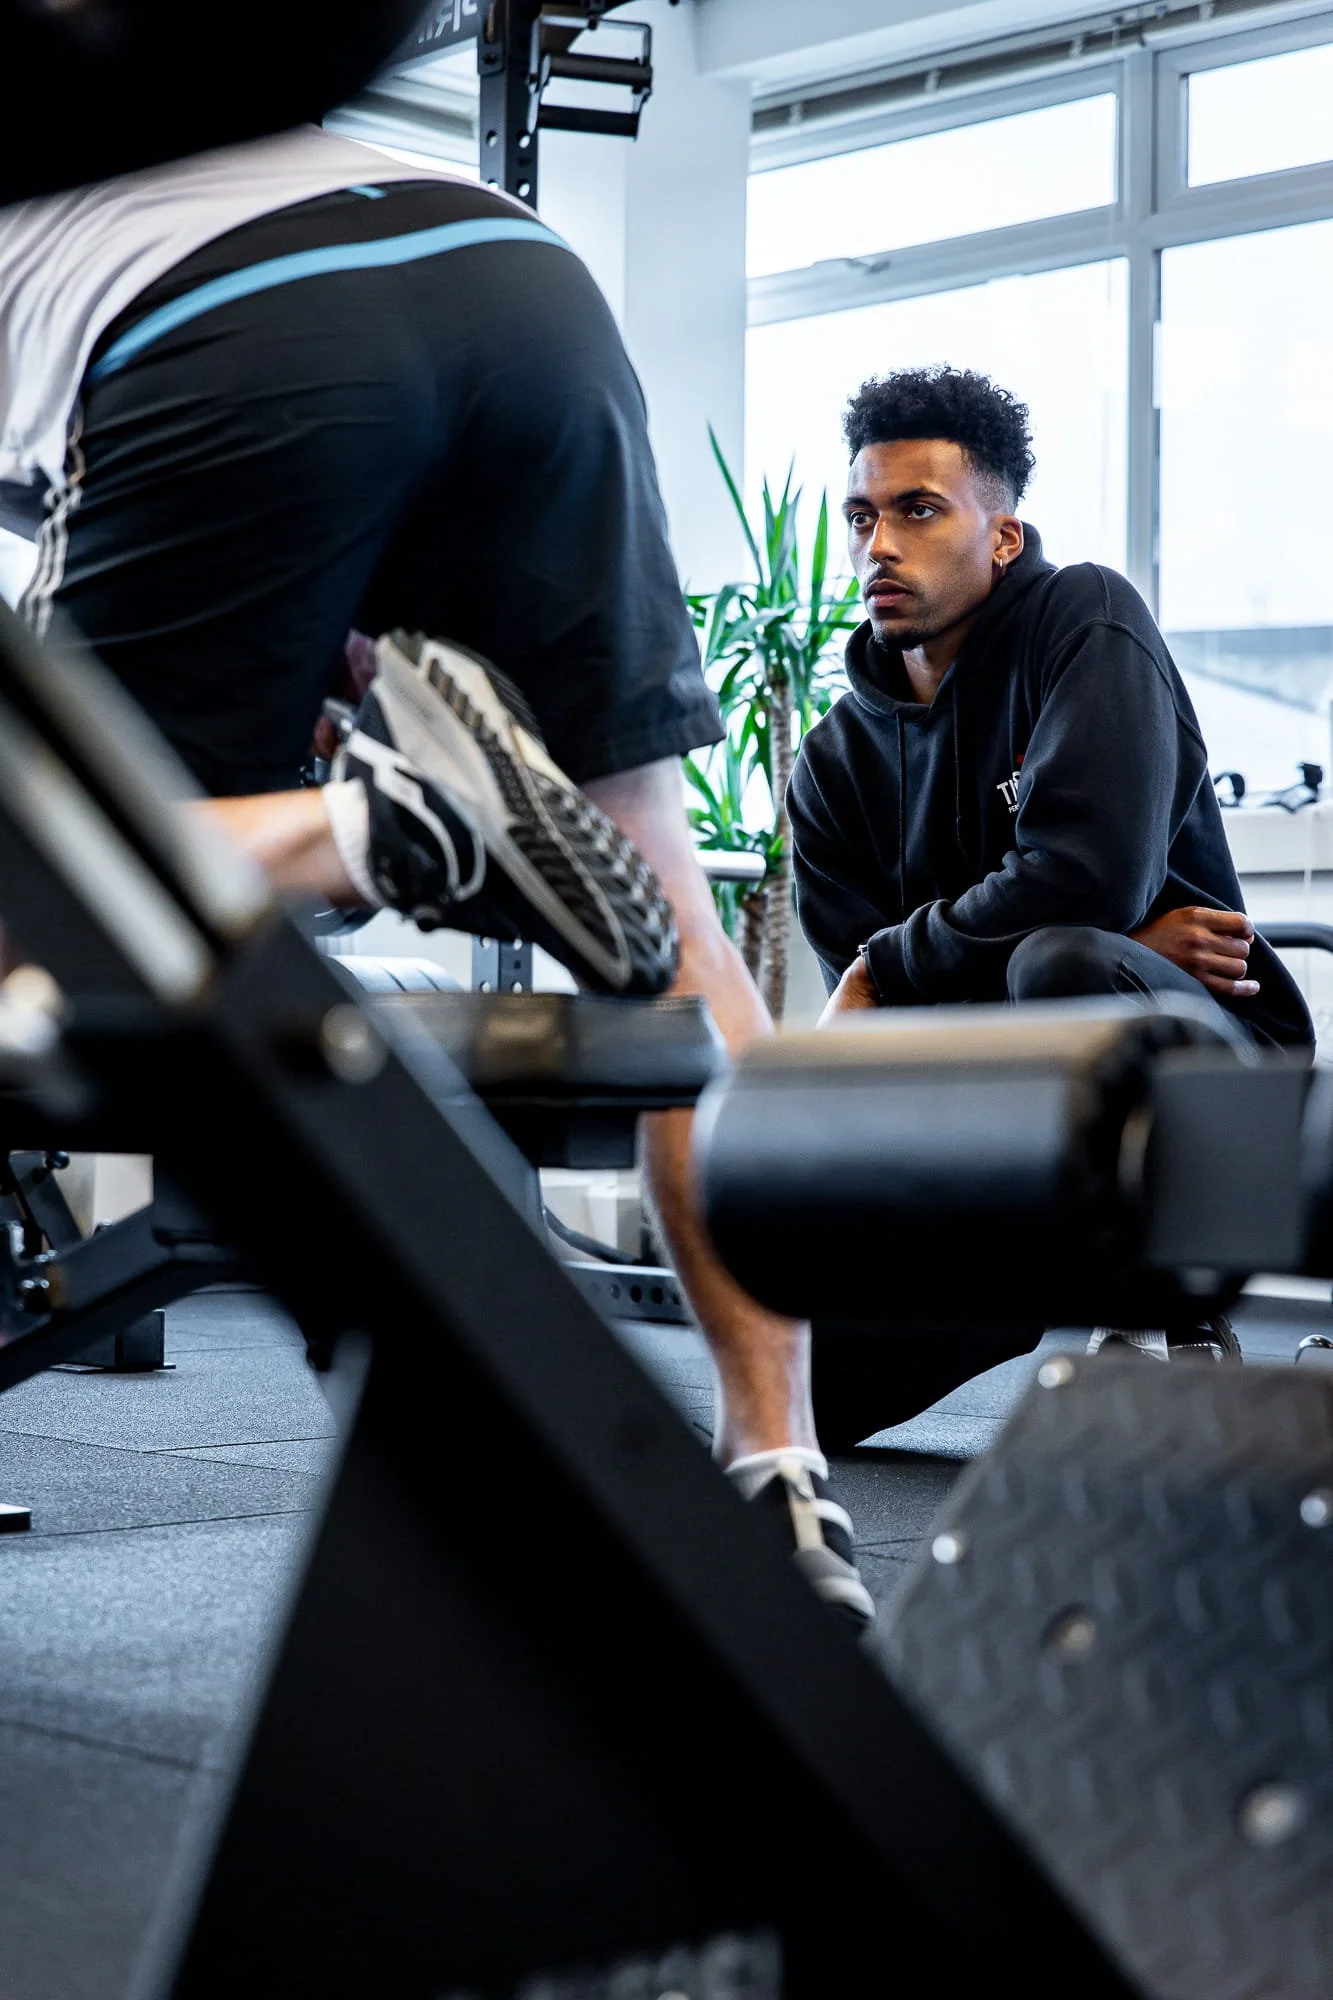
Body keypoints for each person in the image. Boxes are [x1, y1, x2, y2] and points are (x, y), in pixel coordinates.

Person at [0, 125, 874, 1628]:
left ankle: (373, 823)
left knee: (45, 886)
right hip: (520, 282)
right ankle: (775, 1466)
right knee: (658, 889)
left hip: (224, 310)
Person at [789, 365, 1312, 1394]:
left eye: (918, 511)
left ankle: (1163, 1304)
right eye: (861, 515)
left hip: (1213, 1059)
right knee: (808, 1389)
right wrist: (1102, 931)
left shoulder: (1085, 619)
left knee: (1064, 961)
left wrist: (908, 960)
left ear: (1001, 537)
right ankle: (1045, 1281)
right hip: (994, 1107)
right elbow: (881, 1034)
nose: (878, 544)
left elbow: (1080, 878)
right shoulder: (830, 762)